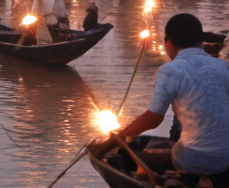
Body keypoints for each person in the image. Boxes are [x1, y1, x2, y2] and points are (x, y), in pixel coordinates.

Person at [95, 14, 229, 178]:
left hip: (192, 160)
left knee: (127, 153)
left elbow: (153, 119)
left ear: (168, 41)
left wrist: (116, 139)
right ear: (201, 41)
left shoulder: (170, 70)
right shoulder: (223, 67)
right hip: (224, 159)